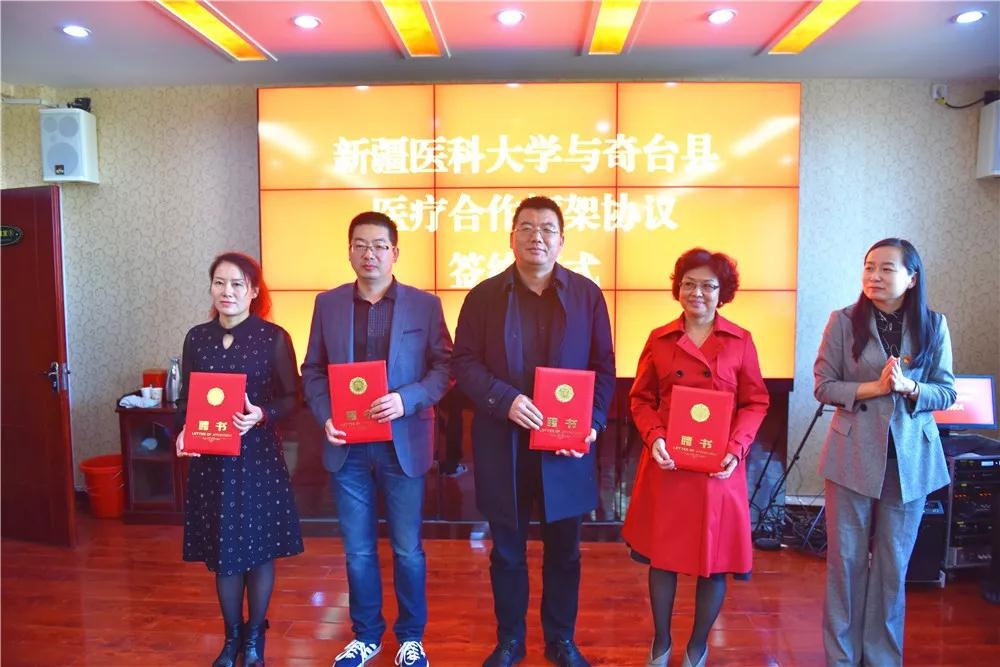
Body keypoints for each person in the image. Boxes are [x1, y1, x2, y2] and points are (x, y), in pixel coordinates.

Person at [452, 196, 615, 667]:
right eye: (526, 227)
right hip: (503, 443)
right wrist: (505, 400)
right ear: (511, 238)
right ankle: (510, 641)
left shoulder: (586, 295)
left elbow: (603, 368)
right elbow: (464, 363)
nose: (536, 237)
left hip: (565, 449)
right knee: (506, 551)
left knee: (565, 552)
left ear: (561, 240)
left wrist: (592, 423)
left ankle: (561, 640)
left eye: (546, 229)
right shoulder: (483, 296)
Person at [301, 211, 452, 667]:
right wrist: (326, 415)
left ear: (395, 253)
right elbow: (313, 370)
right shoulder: (328, 304)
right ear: (349, 251)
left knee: (407, 549)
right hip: (347, 446)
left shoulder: (425, 306)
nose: (370, 253)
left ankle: (411, 638)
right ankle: (366, 636)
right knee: (358, 550)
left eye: (380, 245)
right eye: (361, 245)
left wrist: (407, 399)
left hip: (402, 444)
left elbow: (445, 368)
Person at [622, 248, 769, 667]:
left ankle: (698, 646)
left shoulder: (741, 340)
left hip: (719, 468)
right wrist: (655, 438)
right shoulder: (659, 338)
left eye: (708, 285)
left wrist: (736, 448)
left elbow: (755, 402)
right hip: (669, 464)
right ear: (678, 288)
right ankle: (661, 642)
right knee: (663, 558)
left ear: (723, 292)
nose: (697, 293)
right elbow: (641, 399)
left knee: (714, 562)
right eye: (689, 284)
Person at [814, 238, 955, 666]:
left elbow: (946, 392)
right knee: (846, 563)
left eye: (886, 269)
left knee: (893, 566)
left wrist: (910, 387)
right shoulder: (843, 321)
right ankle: (841, 657)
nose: (874, 276)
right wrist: (874, 388)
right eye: (869, 267)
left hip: (910, 462)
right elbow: (824, 386)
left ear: (911, 278)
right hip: (852, 456)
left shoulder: (933, 324)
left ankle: (881, 657)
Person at [175, 252, 304, 667]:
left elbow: (292, 398)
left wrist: (263, 414)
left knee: (259, 550)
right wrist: (182, 431)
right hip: (212, 461)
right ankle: (231, 638)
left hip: (258, 459)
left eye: (237, 284)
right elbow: (186, 399)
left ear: (253, 291)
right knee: (225, 550)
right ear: (211, 288)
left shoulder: (273, 337)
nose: (227, 292)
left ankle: (254, 638)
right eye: (220, 283)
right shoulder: (197, 338)